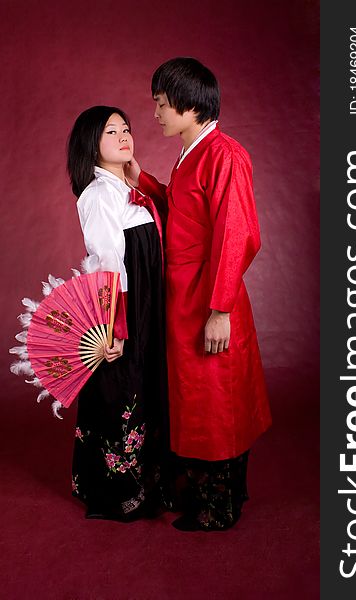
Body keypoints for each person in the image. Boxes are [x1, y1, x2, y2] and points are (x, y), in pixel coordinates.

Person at [124, 58, 272, 531]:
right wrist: (141, 179)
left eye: (162, 105)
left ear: (190, 105)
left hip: (209, 294)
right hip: (185, 294)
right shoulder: (193, 153)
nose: (156, 115)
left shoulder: (224, 154)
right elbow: (184, 213)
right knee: (199, 397)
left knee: (215, 399)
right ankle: (219, 494)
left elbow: (237, 233)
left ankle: (218, 507)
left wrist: (220, 309)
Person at [66, 106, 170, 521]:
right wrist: (114, 327)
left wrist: (137, 177)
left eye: (127, 128)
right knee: (120, 389)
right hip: (123, 308)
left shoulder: (125, 186)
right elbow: (107, 263)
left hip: (147, 306)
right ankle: (116, 491)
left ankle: (149, 479)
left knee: (145, 385)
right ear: (92, 142)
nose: (125, 135)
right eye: (112, 131)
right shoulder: (97, 194)